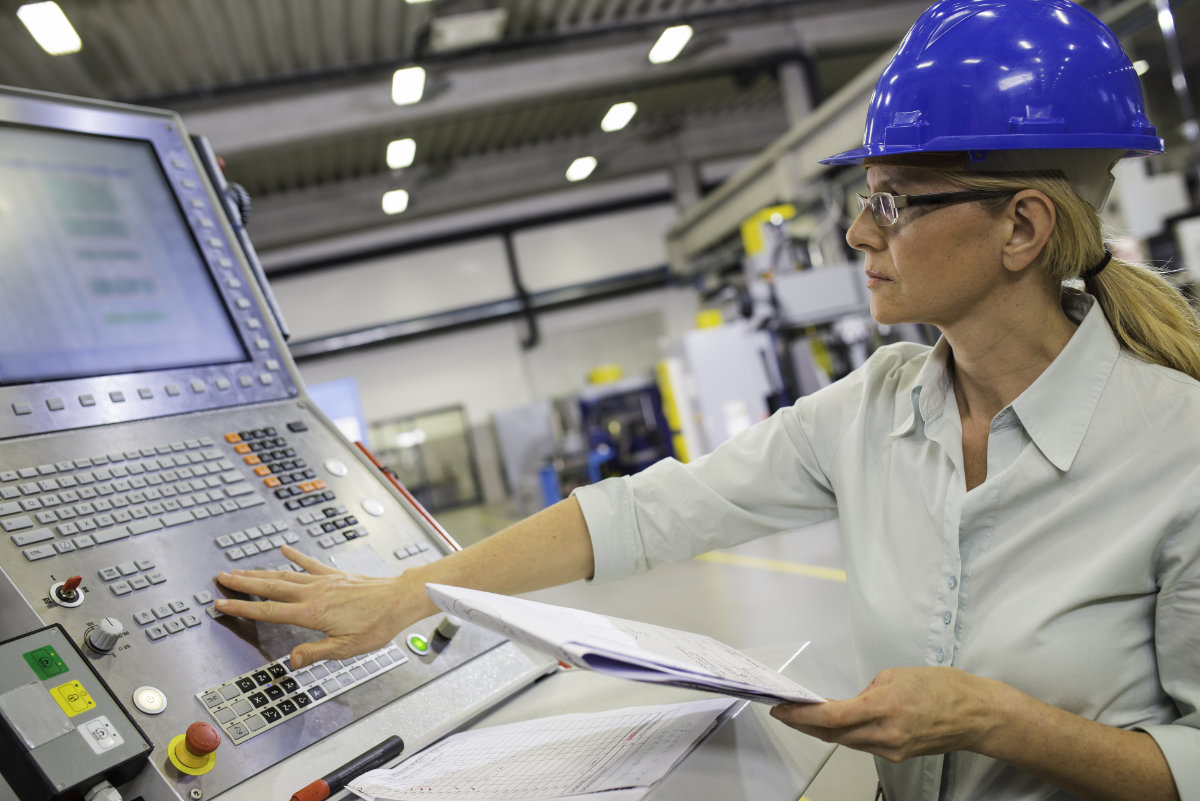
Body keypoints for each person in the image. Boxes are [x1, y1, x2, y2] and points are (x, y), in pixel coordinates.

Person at [214, 1, 1200, 798]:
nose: (859, 234)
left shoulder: (1177, 451)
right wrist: (408, 593)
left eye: (893, 202)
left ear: (1022, 227)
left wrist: (997, 722)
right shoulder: (877, 409)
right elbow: (647, 513)